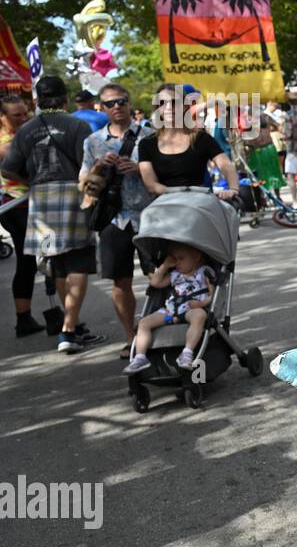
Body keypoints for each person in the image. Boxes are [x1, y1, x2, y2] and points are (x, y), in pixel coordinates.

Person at [0, 75, 104, 353]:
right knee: (78, 262)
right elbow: (91, 164)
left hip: (41, 197)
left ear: (37, 100)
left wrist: (32, 181)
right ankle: (68, 330)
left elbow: (8, 169)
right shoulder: (77, 125)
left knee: (58, 264)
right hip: (74, 193)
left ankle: (73, 324)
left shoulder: (25, 130)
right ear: (65, 98)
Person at [80, 83, 156, 358]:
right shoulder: (94, 141)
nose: (117, 107)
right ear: (101, 107)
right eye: (110, 103)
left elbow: (165, 173)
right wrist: (100, 166)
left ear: (129, 101)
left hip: (150, 215)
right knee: (120, 282)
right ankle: (132, 339)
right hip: (114, 219)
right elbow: (84, 183)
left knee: (159, 276)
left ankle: (159, 334)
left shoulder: (150, 135)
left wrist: (139, 169)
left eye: (121, 101)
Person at [137, 84, 242, 200]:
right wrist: (182, 192)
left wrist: (233, 189)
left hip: (200, 205)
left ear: (185, 106)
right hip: (165, 209)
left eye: (174, 102)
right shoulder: (146, 144)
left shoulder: (202, 138)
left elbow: (226, 165)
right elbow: (151, 185)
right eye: (162, 102)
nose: (168, 107)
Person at [123, 241, 214, 374]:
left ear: (196, 256)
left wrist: (202, 304)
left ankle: (187, 353)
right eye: (174, 259)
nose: (176, 263)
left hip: (192, 309)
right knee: (143, 323)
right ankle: (140, 357)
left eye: (181, 259)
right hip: (170, 311)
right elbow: (155, 283)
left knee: (200, 316)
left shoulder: (204, 272)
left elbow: (214, 294)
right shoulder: (174, 274)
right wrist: (165, 266)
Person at [0, 93, 41, 336]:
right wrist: (32, 181)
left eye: (25, 113)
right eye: (17, 116)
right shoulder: (6, 142)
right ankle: (23, 318)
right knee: (31, 260)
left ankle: (25, 318)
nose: (23, 118)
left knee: (30, 262)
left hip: (26, 205)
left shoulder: (20, 135)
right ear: (2, 117)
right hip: (17, 206)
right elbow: (9, 170)